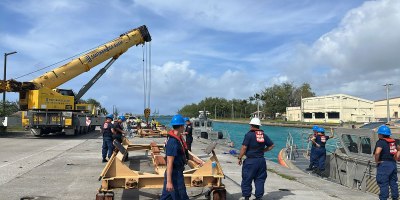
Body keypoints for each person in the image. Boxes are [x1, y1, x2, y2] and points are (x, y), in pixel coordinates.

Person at [238, 117, 274, 200]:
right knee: (260, 180)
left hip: (250, 161)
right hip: (261, 161)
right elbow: (271, 145)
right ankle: (259, 197)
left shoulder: (249, 135)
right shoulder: (263, 135)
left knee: (247, 179)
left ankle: (247, 197)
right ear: (259, 126)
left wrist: (239, 157)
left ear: (251, 125)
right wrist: (263, 150)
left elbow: (244, 147)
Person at [160, 114, 190, 200]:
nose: (184, 127)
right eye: (183, 125)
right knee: (181, 196)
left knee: (167, 197)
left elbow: (184, 153)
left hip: (176, 172)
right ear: (181, 126)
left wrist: (198, 161)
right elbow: (169, 162)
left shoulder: (178, 138)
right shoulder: (173, 142)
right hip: (175, 175)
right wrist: (169, 182)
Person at [374, 125, 399, 200]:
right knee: (393, 183)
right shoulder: (393, 141)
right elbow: (399, 149)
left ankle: (384, 198)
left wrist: (377, 161)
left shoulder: (380, 142)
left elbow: (377, 152)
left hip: (384, 165)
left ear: (381, 135)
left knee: (383, 183)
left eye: (379, 134)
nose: (378, 135)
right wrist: (396, 158)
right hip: (393, 164)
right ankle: (395, 198)